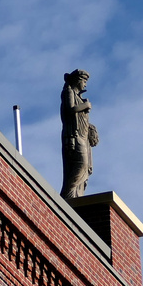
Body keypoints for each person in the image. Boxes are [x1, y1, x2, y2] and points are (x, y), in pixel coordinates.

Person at [60, 70, 98, 198]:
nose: (85, 84)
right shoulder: (68, 92)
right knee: (80, 165)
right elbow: (70, 109)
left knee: (85, 168)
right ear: (77, 80)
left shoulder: (80, 97)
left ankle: (77, 194)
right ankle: (67, 194)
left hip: (83, 136)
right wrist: (85, 105)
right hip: (74, 136)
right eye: (84, 81)